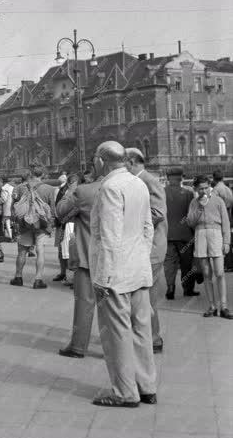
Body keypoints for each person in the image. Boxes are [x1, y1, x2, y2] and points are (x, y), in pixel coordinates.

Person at [90, 141, 156, 408]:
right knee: (142, 330)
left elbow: (109, 236)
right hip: (139, 269)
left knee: (116, 333)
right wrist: (141, 257)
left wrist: (103, 279)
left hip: (115, 273)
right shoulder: (138, 183)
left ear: (101, 160)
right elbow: (148, 226)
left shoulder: (109, 187)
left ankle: (125, 392)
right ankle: (147, 386)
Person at [56, 169, 103, 359]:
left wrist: (72, 188)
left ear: (100, 163)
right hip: (119, 259)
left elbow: (60, 212)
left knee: (84, 303)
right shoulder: (134, 186)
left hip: (88, 256)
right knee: (116, 308)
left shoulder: (86, 191)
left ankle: (78, 346)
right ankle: (115, 348)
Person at [125, 148, 167, 354]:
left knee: (148, 297)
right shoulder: (140, 181)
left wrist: (130, 216)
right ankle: (148, 337)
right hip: (145, 248)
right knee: (143, 296)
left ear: (132, 162)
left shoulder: (148, 180)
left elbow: (158, 212)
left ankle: (154, 339)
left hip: (152, 249)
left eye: (124, 163)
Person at [186, 175, 232, 319]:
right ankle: (212, 306)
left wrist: (226, 242)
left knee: (219, 272)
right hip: (200, 236)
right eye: (201, 188)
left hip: (216, 235)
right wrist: (199, 206)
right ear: (196, 189)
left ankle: (224, 306)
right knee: (206, 274)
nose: (204, 191)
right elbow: (190, 223)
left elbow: (226, 222)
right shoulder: (194, 203)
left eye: (206, 187)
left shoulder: (218, 201)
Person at [10, 164, 57, 289]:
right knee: (40, 250)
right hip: (41, 224)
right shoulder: (49, 189)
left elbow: (13, 208)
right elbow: (53, 210)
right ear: (43, 174)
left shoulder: (19, 188)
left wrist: (15, 222)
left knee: (22, 251)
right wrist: (51, 224)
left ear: (30, 173)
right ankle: (38, 279)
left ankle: (18, 277)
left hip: (24, 224)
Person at [163, 167, 200, 299]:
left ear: (168, 177)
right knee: (186, 263)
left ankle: (170, 288)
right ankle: (187, 289)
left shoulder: (162, 192)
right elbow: (192, 216)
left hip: (167, 234)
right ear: (181, 177)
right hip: (185, 235)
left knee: (169, 263)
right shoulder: (188, 193)